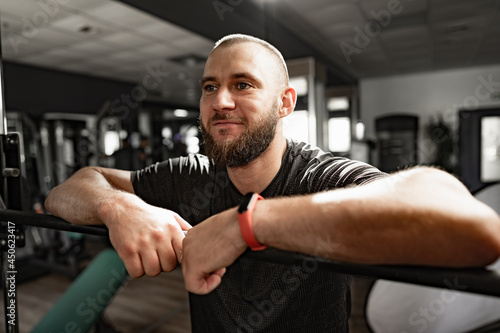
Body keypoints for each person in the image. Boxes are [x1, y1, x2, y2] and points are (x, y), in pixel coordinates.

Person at [45, 34, 500, 332]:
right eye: (209, 87)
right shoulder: (190, 177)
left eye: (243, 85)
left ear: (284, 103)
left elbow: (469, 224)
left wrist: (248, 224)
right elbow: (69, 189)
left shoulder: (321, 177)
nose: (220, 101)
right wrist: (119, 208)